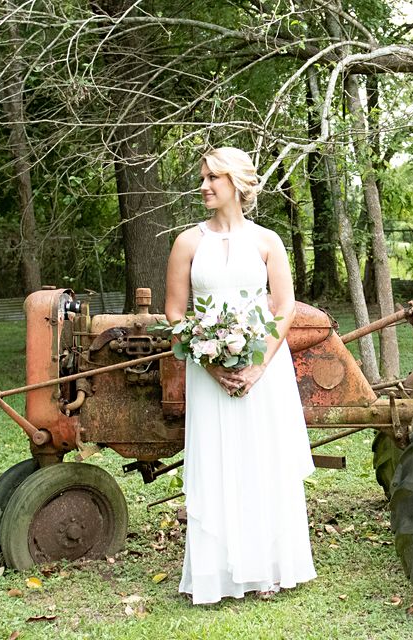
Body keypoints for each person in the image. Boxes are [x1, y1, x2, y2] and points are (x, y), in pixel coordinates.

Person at [165, 146, 316, 604]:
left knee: (262, 461)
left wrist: (257, 366)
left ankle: (270, 567)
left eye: (213, 177)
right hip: (207, 373)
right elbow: (175, 312)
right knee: (216, 462)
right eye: (203, 177)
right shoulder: (187, 243)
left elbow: (284, 307)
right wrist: (210, 363)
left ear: (237, 184)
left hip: (264, 372)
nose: (205, 185)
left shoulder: (267, 241)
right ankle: (218, 574)